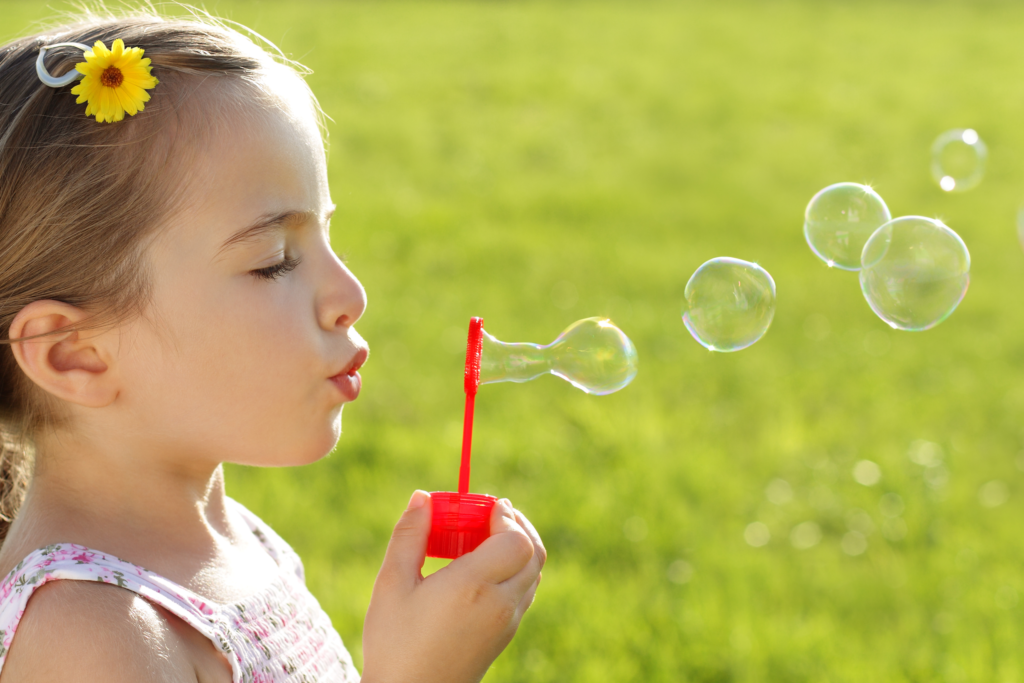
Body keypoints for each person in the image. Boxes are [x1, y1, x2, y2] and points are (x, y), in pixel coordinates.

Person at [0, 6, 545, 682]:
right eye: (273, 260)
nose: (351, 294)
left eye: (325, 236)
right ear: (73, 354)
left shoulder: (233, 540)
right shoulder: (91, 638)